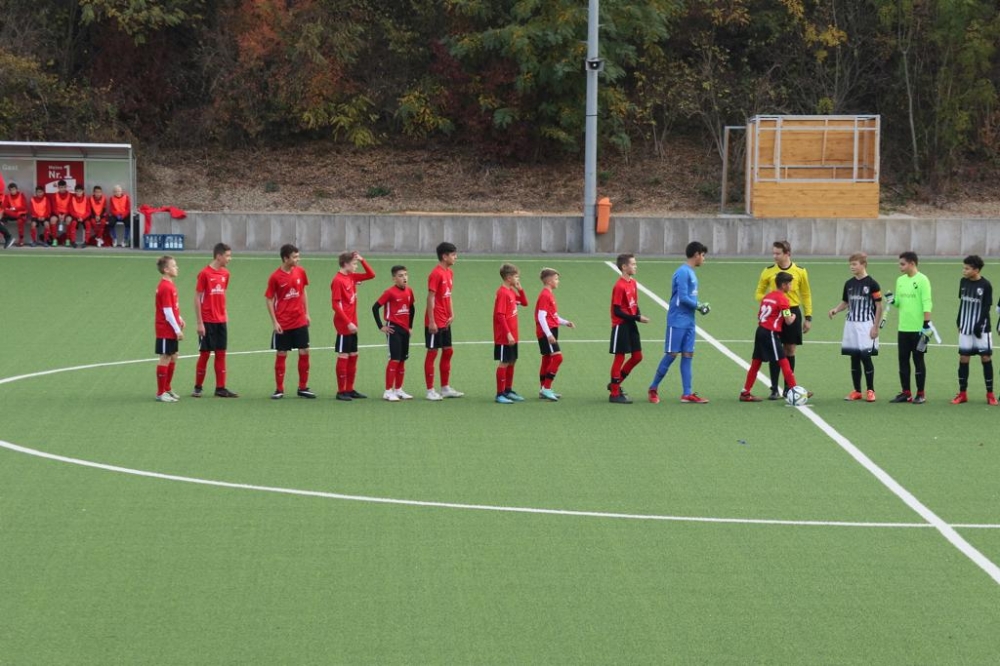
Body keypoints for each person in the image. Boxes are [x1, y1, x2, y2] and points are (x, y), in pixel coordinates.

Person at [648, 241, 710, 404]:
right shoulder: (683, 272)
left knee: (688, 354)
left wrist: (699, 306)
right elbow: (683, 298)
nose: (704, 259)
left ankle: (687, 393)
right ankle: (653, 388)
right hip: (677, 320)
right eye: (703, 255)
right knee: (672, 354)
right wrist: (699, 306)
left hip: (689, 320)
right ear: (696, 254)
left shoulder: (691, 273)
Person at [755, 240, 812, 399]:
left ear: (787, 254)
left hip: (792, 311)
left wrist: (808, 316)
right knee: (775, 350)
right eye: (773, 253)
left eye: (778, 253)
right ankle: (774, 389)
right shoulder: (768, 271)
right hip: (775, 314)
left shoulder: (800, 271)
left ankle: (788, 388)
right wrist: (771, 301)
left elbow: (806, 294)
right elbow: (758, 292)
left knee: (790, 350)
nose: (774, 256)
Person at [827, 252, 883, 402]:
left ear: (863, 264)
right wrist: (836, 310)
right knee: (854, 357)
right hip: (851, 324)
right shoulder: (849, 284)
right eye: (850, 264)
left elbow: (879, 306)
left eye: (854, 264)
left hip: (866, 325)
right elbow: (846, 302)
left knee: (866, 356)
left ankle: (870, 390)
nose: (851, 267)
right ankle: (857, 391)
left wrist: (875, 327)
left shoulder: (872, 284)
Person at [265, 244, 315, 399]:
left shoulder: (300, 271)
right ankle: (279, 389)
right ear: (286, 258)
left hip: (299, 320)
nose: (298, 259)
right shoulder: (275, 277)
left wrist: (307, 313)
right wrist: (275, 322)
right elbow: (269, 299)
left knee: (304, 351)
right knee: (281, 353)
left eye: (298, 256)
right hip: (283, 322)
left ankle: (303, 387)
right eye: (295, 257)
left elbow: (303, 291)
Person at [740, 272, 800, 402]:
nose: (791, 286)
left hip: (760, 331)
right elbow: (788, 321)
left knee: (756, 363)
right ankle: (795, 390)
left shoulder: (767, 297)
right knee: (784, 361)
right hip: (770, 333)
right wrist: (794, 316)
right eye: (789, 284)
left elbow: (760, 315)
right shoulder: (783, 300)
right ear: (783, 285)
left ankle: (745, 392)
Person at [193, 243, 239, 398]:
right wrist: (199, 322)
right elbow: (197, 297)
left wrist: (224, 313)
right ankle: (198, 387)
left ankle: (220, 388)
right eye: (227, 256)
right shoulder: (204, 274)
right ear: (218, 256)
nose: (229, 259)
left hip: (221, 320)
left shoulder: (226, 274)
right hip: (207, 321)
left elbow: (222, 294)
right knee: (205, 354)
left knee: (221, 353)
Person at [331, 250, 376, 401]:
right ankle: (340, 391)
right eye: (354, 264)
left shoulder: (351, 277)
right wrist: (348, 322)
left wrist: (363, 260)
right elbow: (336, 305)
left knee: (353, 355)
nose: (356, 266)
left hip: (352, 323)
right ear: (345, 264)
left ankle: (349, 389)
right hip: (344, 324)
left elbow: (371, 275)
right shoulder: (338, 280)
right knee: (343, 355)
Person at [951, 255, 996, 405]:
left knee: (986, 358)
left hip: (981, 329)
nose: (964, 271)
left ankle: (990, 394)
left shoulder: (986, 285)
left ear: (976, 270)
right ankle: (962, 393)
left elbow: (987, 307)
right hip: (965, 327)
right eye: (963, 268)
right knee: (964, 358)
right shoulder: (963, 282)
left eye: (967, 268)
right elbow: (962, 303)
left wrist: (979, 324)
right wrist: (959, 320)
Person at [890, 251, 934, 404]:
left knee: (918, 360)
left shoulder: (923, 280)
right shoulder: (900, 280)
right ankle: (906, 393)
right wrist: (892, 300)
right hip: (903, 329)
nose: (900, 267)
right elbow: (898, 302)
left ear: (912, 264)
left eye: (903, 264)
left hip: (919, 330)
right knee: (903, 360)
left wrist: (926, 325)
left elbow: (927, 302)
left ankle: (920, 393)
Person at [608, 253, 650, 404]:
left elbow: (634, 303)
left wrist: (638, 315)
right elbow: (617, 311)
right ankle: (614, 394)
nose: (635, 266)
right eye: (633, 264)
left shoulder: (633, 283)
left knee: (637, 356)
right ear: (624, 267)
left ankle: (615, 383)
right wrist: (637, 318)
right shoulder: (619, 286)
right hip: (621, 325)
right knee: (619, 357)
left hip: (631, 323)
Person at [424, 241, 464, 401]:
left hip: (445, 320)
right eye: (453, 255)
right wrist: (431, 321)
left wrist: (452, 313)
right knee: (432, 353)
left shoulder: (449, 273)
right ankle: (430, 390)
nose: (456, 257)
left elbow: (448, 295)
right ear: (444, 256)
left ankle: (445, 388)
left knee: (448, 351)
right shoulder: (436, 274)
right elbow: (430, 298)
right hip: (435, 321)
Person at [373, 265, 416, 401]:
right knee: (395, 359)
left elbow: (412, 308)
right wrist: (381, 326)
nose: (404, 278)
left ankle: (398, 389)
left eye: (405, 275)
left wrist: (410, 327)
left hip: (405, 330)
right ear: (394, 278)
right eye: (400, 276)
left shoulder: (409, 291)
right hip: (393, 329)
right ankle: (387, 391)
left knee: (403, 359)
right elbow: (375, 307)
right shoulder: (389, 292)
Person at [534, 267, 575, 401]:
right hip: (547, 331)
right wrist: (548, 334)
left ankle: (543, 389)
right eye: (556, 279)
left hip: (550, 330)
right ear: (549, 281)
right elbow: (541, 316)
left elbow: (552, 316)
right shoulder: (545, 295)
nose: (558, 281)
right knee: (558, 358)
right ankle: (546, 388)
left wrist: (565, 322)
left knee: (547, 359)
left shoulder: (549, 294)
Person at [493, 263, 529, 403]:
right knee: (504, 362)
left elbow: (525, 303)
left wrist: (520, 289)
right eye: (516, 277)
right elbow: (500, 315)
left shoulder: (511, 292)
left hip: (513, 335)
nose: (518, 279)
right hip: (504, 336)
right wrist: (508, 334)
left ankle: (508, 390)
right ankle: (499, 394)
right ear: (509, 278)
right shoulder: (502, 293)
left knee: (512, 361)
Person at [154, 255, 184, 402]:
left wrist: (180, 319)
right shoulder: (165, 287)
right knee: (165, 357)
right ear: (166, 269)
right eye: (173, 266)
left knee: (173, 355)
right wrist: (177, 329)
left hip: (171, 327)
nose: (176, 268)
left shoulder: (169, 285)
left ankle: (167, 388)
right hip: (165, 328)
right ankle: (160, 393)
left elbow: (172, 307)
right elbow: (167, 311)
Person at [1, 182, 27, 248]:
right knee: (1, 220)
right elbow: (4, 207)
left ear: (17, 189)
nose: (13, 191)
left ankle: (21, 240)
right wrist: (9, 209)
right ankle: (4, 238)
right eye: (11, 190)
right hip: (12, 214)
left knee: (20, 221)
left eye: (14, 189)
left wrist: (14, 208)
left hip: (21, 213)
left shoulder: (21, 195)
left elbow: (24, 207)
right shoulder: (7, 196)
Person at [48, 179, 73, 247]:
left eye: (64, 187)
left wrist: (65, 214)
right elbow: (54, 207)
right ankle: (54, 239)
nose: (63, 189)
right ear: (58, 187)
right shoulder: (54, 195)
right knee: (52, 220)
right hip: (57, 213)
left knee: (69, 220)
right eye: (61, 187)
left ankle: (67, 239)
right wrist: (58, 214)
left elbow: (70, 207)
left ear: (66, 187)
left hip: (67, 213)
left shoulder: (70, 195)